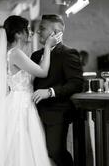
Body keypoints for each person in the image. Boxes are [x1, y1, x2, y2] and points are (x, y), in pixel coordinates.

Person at [0, 15, 62, 166]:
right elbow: (42, 72)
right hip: (20, 105)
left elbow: (29, 78)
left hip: (21, 100)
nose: (31, 32)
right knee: (21, 143)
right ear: (18, 33)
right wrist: (47, 46)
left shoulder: (13, 53)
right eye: (27, 29)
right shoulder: (15, 53)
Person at [31, 14, 84, 166]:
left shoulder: (68, 53)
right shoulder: (35, 55)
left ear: (55, 33)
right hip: (34, 112)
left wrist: (50, 92)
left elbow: (76, 83)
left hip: (57, 112)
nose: (38, 31)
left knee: (55, 151)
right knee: (39, 153)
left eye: (42, 28)